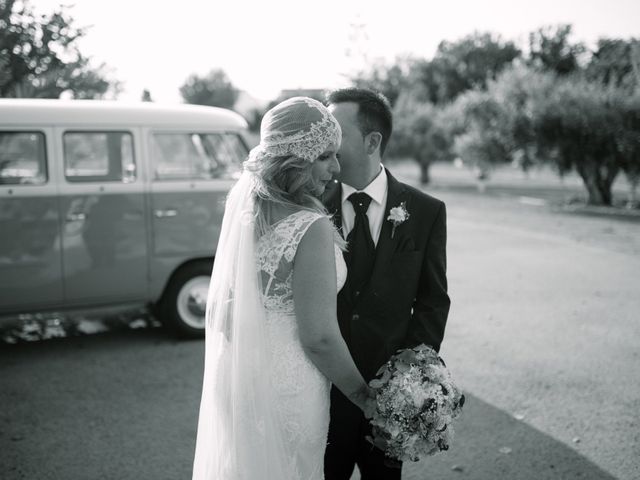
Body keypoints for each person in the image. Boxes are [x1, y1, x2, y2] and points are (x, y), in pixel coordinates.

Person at [191, 96, 374, 480]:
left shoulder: (247, 214)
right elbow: (319, 337)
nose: (336, 169)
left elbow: (226, 313)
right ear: (296, 158)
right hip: (287, 388)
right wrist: (364, 397)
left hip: (239, 379)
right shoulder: (310, 226)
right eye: (325, 156)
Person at [323, 87, 451, 479]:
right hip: (323, 396)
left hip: (389, 402)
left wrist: (405, 381)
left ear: (372, 141)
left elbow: (433, 302)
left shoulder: (426, 211)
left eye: (334, 134)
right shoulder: (310, 207)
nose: (324, 145)